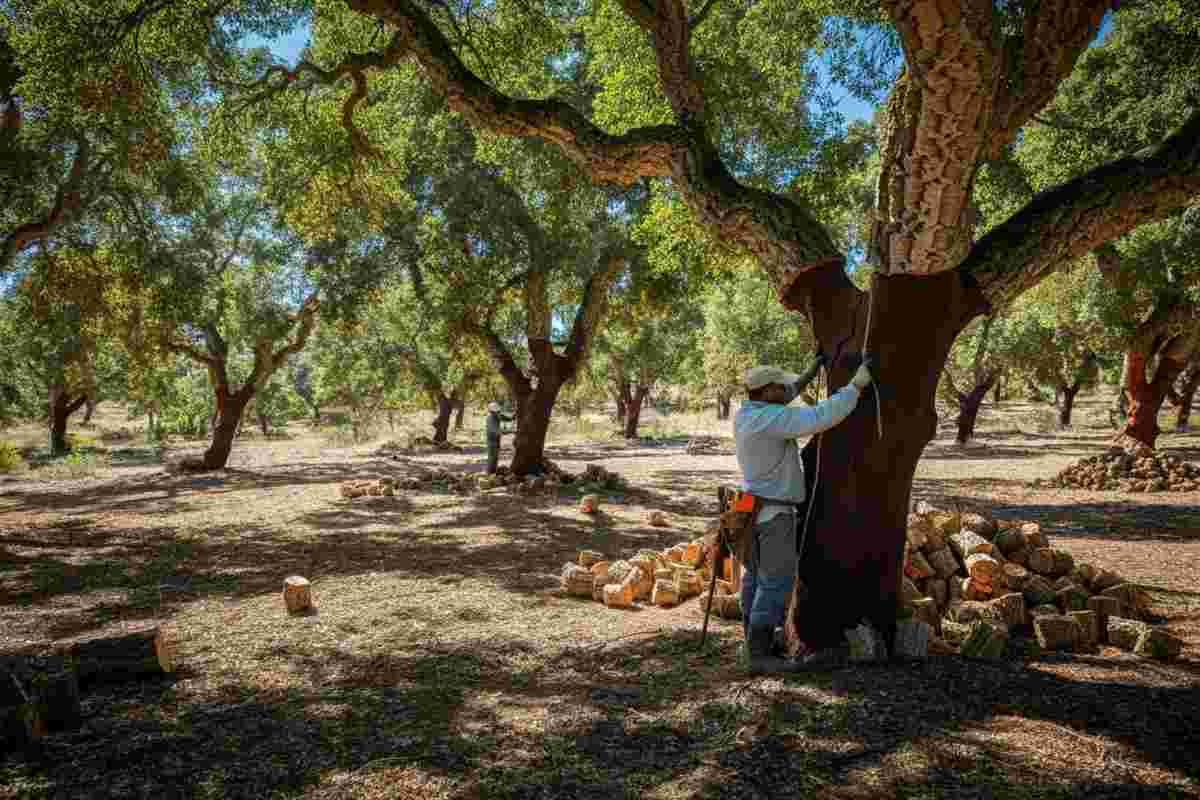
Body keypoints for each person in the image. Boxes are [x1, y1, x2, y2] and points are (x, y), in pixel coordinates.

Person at [734, 355, 873, 674]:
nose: (786, 389)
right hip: (772, 512)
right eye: (779, 387)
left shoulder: (749, 413)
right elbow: (819, 416)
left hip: (751, 506)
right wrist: (855, 387)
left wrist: (810, 371)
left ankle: (754, 641)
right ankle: (759, 653)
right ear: (767, 392)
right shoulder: (771, 419)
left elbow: (789, 392)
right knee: (776, 580)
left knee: (755, 576)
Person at [485, 401, 514, 474]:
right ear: (491, 411)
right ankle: (490, 473)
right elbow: (498, 432)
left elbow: (506, 418)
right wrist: (511, 431)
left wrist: (514, 416)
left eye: (498, 411)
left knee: (495, 458)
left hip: (496, 440)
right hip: (492, 441)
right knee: (492, 458)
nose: (498, 412)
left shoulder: (497, 415)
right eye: (496, 411)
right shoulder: (490, 419)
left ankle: (493, 472)